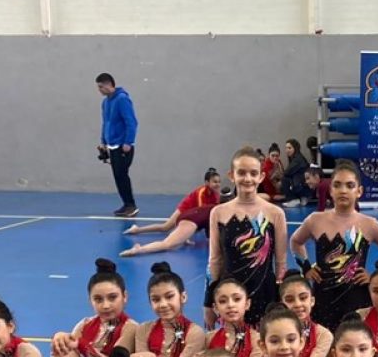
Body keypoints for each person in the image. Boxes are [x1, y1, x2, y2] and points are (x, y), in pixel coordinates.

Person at [290, 160, 378, 331]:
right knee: (325, 343)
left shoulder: (369, 224)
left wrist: (375, 276)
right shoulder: (315, 220)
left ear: (359, 191)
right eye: (337, 185)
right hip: (323, 298)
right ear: (330, 190)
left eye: (350, 185)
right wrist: (306, 267)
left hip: (356, 299)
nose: (343, 190)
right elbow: (296, 242)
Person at [208, 146, 289, 325]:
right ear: (232, 175)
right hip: (230, 298)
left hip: (264, 294)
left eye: (253, 173)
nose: (247, 178)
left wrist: (279, 301)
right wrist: (208, 301)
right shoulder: (218, 213)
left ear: (261, 176)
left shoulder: (275, 213)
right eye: (241, 173)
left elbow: (281, 263)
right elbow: (214, 260)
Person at [130, 262, 204, 357]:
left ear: (183, 297)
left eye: (169, 296)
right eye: (156, 299)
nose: (163, 304)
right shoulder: (144, 329)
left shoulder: (194, 332)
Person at [122, 168, 224, 256]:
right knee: (167, 235)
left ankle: (137, 230)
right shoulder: (202, 193)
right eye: (215, 182)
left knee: (168, 231)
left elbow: (204, 219)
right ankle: (139, 248)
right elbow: (200, 215)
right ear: (207, 182)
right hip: (187, 209)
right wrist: (185, 235)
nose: (218, 184)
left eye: (219, 182)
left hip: (192, 215)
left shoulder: (216, 197)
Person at [96, 73, 140, 218]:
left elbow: (131, 122)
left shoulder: (122, 99)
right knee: (118, 176)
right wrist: (103, 141)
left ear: (109, 85)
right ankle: (127, 204)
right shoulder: (105, 103)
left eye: (101, 87)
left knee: (122, 176)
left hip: (122, 146)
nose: (99, 90)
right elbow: (106, 123)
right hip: (112, 145)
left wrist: (128, 142)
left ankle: (131, 205)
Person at [277, 271, 334, 357]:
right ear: (282, 304)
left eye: (303, 298)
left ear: (312, 301)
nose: (298, 304)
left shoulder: (324, 335)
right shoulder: (273, 331)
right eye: (290, 300)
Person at [282, 139, 312, 206]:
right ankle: (303, 197)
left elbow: (287, 172)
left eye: (289, 148)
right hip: (303, 185)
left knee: (284, 179)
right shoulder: (297, 157)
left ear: (295, 148)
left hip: (303, 186)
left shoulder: (297, 159)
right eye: (286, 148)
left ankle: (293, 199)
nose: (287, 150)